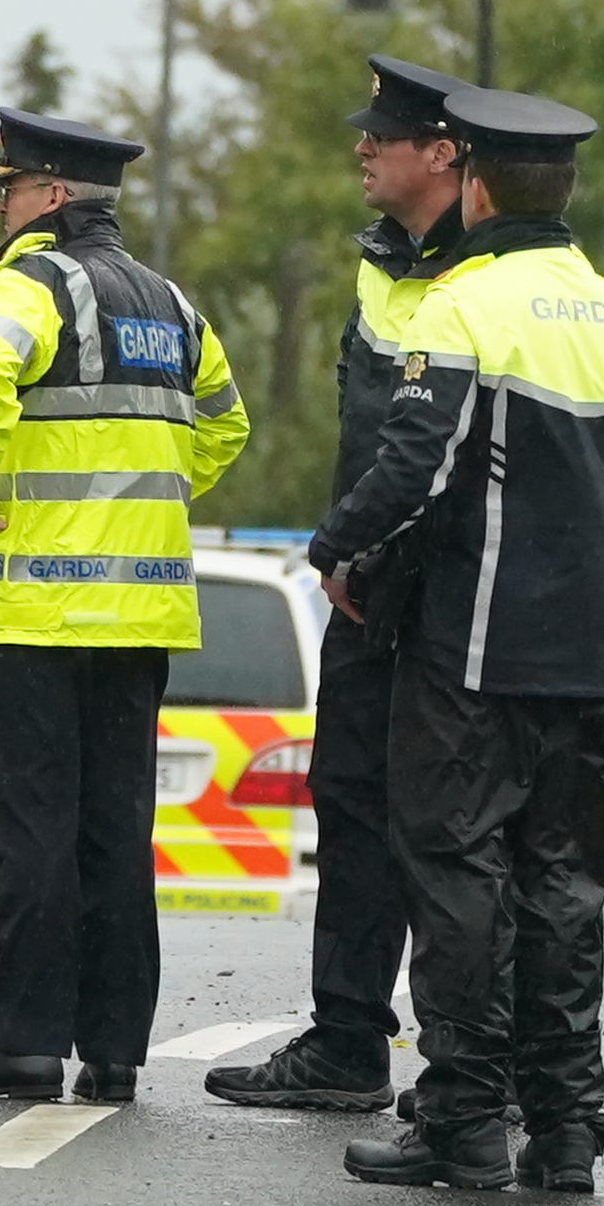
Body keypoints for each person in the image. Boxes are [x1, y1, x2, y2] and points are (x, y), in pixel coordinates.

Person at [311, 86, 604, 1192]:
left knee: (457, 867)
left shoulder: (461, 303)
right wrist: (591, 623)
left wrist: (341, 553)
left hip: (466, 647)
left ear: (474, 183)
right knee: (562, 882)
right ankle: (563, 1125)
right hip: (573, 657)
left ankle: (460, 1115)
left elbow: (415, 465)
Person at [0, 106, 251, 1106]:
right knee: (115, 833)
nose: (4, 203)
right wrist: (141, 495)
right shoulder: (166, 300)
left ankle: (24, 1044)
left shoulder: (23, 287)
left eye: (12, 186)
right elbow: (225, 424)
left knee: (29, 835)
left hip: (28, 616)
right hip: (138, 621)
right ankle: (113, 1050)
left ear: (52, 194)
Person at [209, 57, 478, 1118]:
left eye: (386, 131)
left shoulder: (485, 273)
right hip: (367, 586)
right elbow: (367, 434)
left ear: (445, 153)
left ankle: (465, 1070)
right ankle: (346, 1038)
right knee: (352, 804)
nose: (362, 144)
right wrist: (347, 552)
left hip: (454, 592)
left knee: (448, 830)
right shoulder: (381, 265)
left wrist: (357, 544)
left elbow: (443, 451)